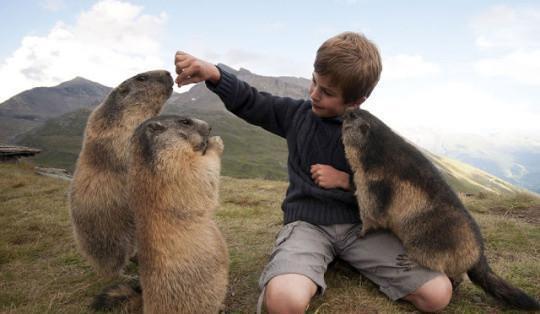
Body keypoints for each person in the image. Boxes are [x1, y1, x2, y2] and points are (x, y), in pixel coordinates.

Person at [174, 31, 452, 313]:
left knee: (438, 294)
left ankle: (343, 258)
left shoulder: (374, 138)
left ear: (357, 100)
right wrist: (213, 74)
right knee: (284, 301)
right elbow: (252, 101)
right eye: (314, 82)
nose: (314, 94)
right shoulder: (296, 115)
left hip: (362, 229)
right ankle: (311, 261)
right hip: (307, 225)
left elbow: (394, 190)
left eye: (327, 92)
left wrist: (346, 181)